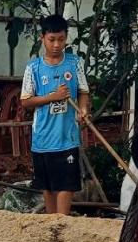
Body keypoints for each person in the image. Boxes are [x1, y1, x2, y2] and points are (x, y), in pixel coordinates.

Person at [20, 14, 90, 216]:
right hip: (42, 138)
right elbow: (25, 101)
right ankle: (52, 225)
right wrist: (52, 97)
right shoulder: (33, 68)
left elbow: (83, 91)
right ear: (42, 38)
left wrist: (83, 110)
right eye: (51, 40)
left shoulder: (74, 63)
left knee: (66, 185)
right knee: (48, 187)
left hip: (67, 137)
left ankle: (62, 223)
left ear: (66, 37)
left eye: (61, 39)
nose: (57, 45)